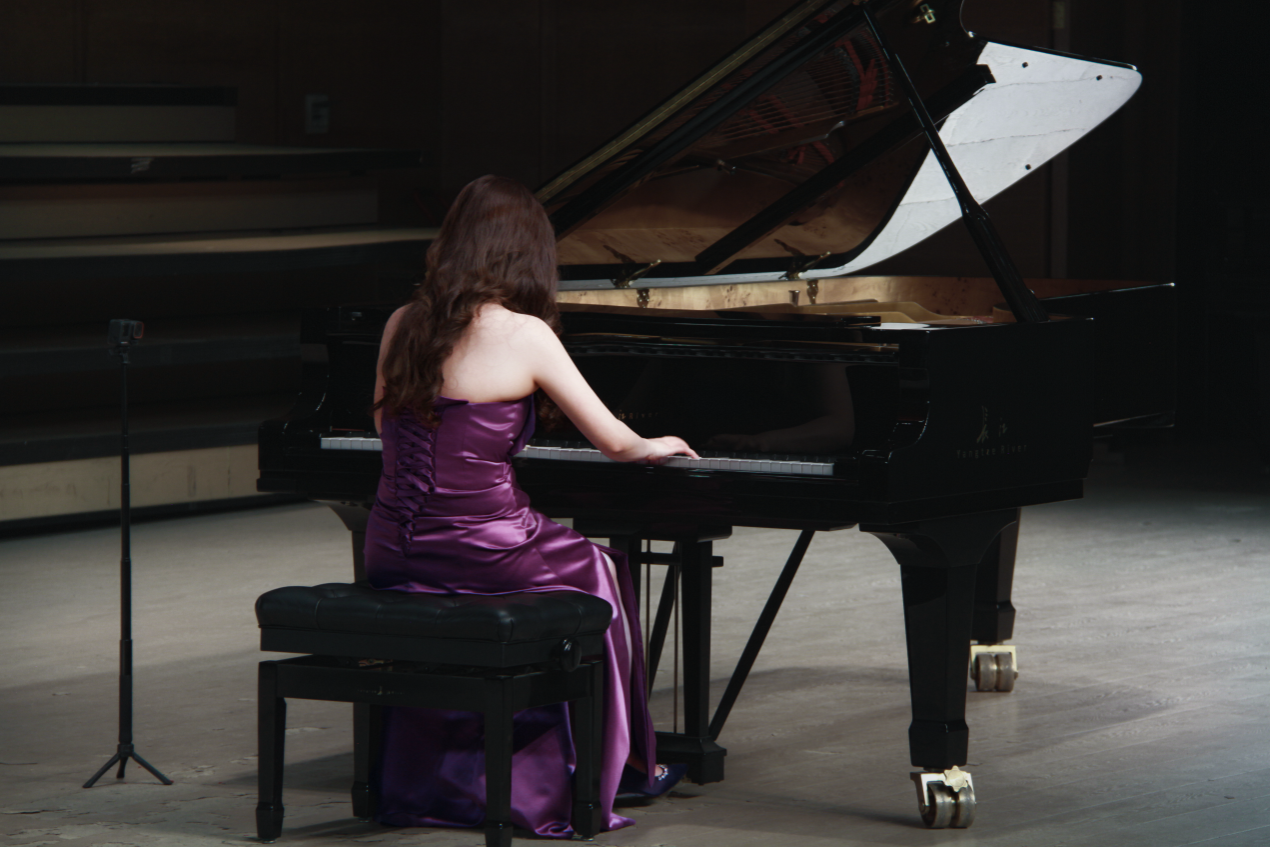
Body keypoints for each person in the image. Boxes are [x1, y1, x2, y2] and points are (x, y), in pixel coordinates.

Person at [363, 174, 699, 837]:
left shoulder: (403, 323)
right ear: (527, 253)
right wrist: (657, 442)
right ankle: (616, 767)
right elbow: (617, 442)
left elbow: (384, 428)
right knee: (601, 572)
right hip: (485, 549)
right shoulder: (524, 334)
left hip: (393, 545)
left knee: (550, 578)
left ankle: (447, 781)